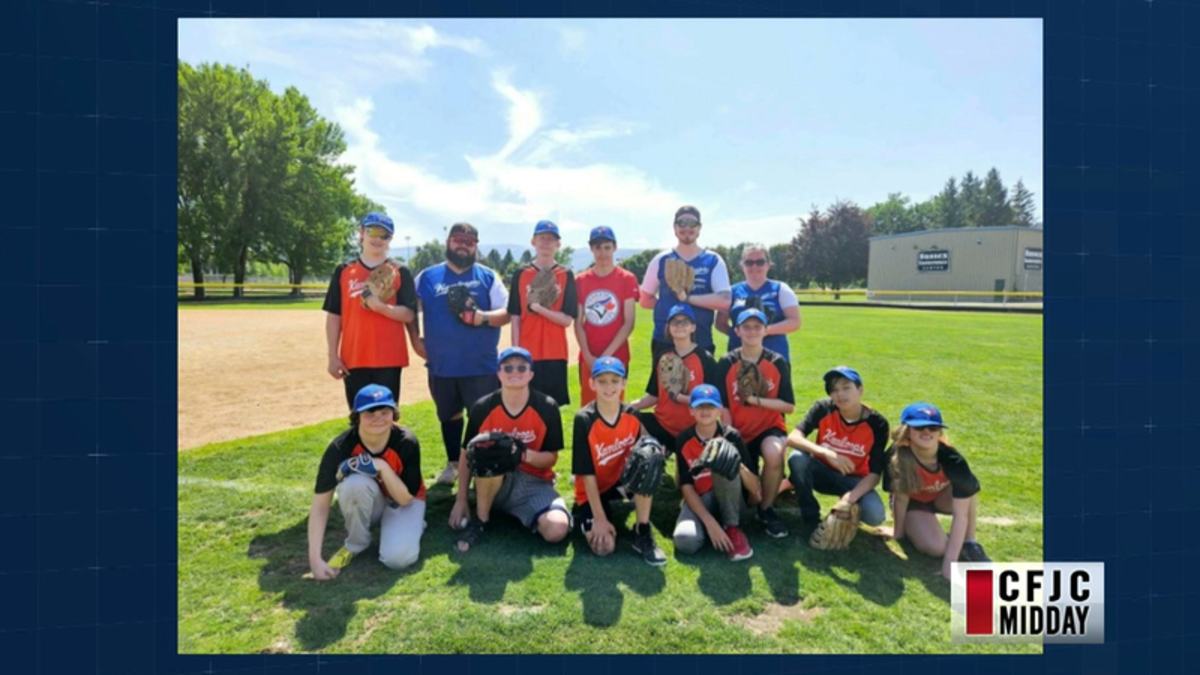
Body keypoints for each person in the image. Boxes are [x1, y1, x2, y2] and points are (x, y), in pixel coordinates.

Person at [412, 222, 511, 487]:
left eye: (469, 241)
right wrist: (414, 339)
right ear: (448, 242)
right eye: (458, 239)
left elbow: (506, 312)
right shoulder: (428, 276)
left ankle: (481, 464)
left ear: (475, 246)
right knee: (449, 415)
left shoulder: (487, 276)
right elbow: (410, 308)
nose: (463, 245)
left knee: (481, 417)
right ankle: (454, 463)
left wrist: (482, 318)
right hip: (442, 363)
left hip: (480, 364)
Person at [449, 347, 572, 552]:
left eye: (522, 367)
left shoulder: (547, 406)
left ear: (531, 374)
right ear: (498, 373)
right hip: (491, 480)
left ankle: (508, 510)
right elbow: (466, 453)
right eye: (508, 368)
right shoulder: (483, 407)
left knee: (557, 529)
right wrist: (460, 499)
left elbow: (551, 458)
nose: (515, 372)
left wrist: (523, 455)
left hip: (533, 483)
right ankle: (481, 520)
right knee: (489, 451)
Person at [307, 384, 426, 579]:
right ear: (357, 417)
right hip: (370, 501)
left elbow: (405, 499)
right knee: (353, 485)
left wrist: (381, 466)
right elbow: (320, 505)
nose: (378, 418)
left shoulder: (406, 441)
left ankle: (413, 525)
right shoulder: (341, 447)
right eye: (370, 413)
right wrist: (315, 560)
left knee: (397, 560)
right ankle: (357, 542)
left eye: (384, 411)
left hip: (403, 501)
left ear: (393, 413)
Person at [571, 357, 667, 565]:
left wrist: (655, 449)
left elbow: (648, 442)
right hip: (591, 488)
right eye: (602, 381)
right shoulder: (584, 419)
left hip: (620, 484)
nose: (609, 386)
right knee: (604, 547)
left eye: (615, 380)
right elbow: (586, 475)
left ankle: (642, 530)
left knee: (649, 459)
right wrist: (600, 519)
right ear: (592, 384)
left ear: (624, 383)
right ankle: (587, 516)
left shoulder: (631, 414)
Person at [879, 402, 991, 579]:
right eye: (919, 427)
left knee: (968, 489)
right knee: (937, 548)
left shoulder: (952, 458)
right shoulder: (896, 456)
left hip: (940, 497)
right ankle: (920, 526)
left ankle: (970, 543)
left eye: (932, 427)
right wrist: (897, 534)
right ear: (907, 430)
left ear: (939, 432)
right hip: (913, 503)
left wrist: (949, 565)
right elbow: (901, 500)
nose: (926, 432)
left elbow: (961, 515)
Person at [714, 309, 796, 538]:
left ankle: (767, 509)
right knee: (746, 497)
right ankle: (762, 493)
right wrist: (730, 434)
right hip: (737, 428)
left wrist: (755, 400)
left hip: (768, 427)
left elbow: (788, 406)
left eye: (757, 327)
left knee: (774, 453)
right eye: (746, 327)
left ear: (765, 330)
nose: (752, 331)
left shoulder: (777, 361)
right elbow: (723, 405)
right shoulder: (727, 362)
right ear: (737, 330)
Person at [323, 212, 417, 409]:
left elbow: (409, 314)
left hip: (389, 357)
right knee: (358, 417)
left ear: (390, 239)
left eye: (385, 235)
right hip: (354, 357)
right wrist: (333, 356)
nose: (377, 238)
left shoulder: (400, 271)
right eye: (372, 231)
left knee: (387, 416)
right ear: (361, 233)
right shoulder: (344, 270)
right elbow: (334, 315)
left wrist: (381, 308)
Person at [786, 366, 889, 536]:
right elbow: (793, 438)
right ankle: (810, 518)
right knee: (797, 458)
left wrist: (849, 499)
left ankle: (846, 513)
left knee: (875, 515)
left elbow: (875, 473)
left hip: (853, 479)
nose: (840, 394)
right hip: (821, 473)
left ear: (860, 390)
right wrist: (827, 453)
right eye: (834, 390)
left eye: (846, 387)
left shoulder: (877, 423)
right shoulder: (823, 408)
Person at [672, 385, 754, 561]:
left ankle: (731, 528)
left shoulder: (732, 436)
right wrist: (709, 523)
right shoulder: (683, 439)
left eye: (711, 406)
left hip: (732, 500)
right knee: (685, 541)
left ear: (719, 410)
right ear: (691, 410)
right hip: (701, 500)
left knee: (722, 459)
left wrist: (736, 464)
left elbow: (756, 490)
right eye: (700, 406)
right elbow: (686, 486)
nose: (705, 411)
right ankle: (715, 528)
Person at [639, 205, 731, 357]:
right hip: (665, 341)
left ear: (699, 228)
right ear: (674, 227)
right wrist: (669, 307)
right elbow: (645, 299)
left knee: (701, 381)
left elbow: (724, 300)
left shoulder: (713, 260)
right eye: (682, 223)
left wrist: (687, 299)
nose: (687, 227)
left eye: (692, 223)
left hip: (700, 340)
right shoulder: (661, 259)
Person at [628, 304, 719, 455]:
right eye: (675, 322)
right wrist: (625, 407)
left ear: (693, 327)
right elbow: (654, 396)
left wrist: (679, 397)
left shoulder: (705, 358)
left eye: (685, 322)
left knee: (684, 478)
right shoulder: (664, 357)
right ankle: (655, 454)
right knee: (630, 418)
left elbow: (712, 403)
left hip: (692, 429)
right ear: (668, 327)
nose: (680, 326)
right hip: (662, 424)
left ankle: (674, 455)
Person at [508, 220, 578, 407]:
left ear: (558, 244)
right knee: (525, 405)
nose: (546, 242)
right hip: (527, 352)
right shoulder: (521, 273)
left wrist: (539, 309)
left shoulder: (566, 274)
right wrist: (516, 351)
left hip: (555, 352)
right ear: (533, 241)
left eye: (551, 239)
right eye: (542, 238)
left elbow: (567, 320)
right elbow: (515, 316)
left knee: (552, 407)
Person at [574, 226, 639, 407]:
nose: (602, 253)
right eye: (597, 247)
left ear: (615, 247)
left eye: (607, 247)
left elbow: (629, 323)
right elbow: (578, 322)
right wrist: (587, 355)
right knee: (589, 408)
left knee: (614, 407)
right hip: (589, 356)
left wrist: (605, 356)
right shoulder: (581, 280)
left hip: (617, 355)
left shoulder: (627, 278)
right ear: (591, 249)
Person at [714, 244, 802, 362]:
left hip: (774, 357)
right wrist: (739, 335)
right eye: (749, 262)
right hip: (739, 357)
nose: (754, 266)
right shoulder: (732, 291)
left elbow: (795, 321)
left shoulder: (780, 289)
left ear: (768, 265)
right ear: (743, 265)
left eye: (760, 262)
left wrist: (761, 331)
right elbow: (720, 323)